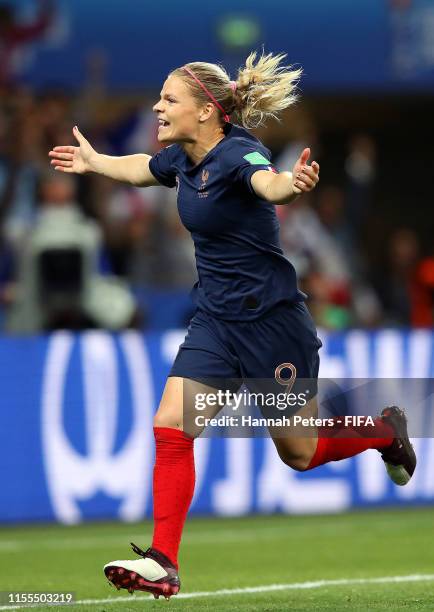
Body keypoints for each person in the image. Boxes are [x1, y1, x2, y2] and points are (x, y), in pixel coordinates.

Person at [49, 51, 416, 600]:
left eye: (169, 99)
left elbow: (268, 185)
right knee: (171, 422)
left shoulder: (239, 153)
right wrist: (95, 162)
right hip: (217, 324)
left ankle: (383, 430)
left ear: (206, 111)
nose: (157, 106)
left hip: (272, 328)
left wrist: (294, 184)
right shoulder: (181, 159)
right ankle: (163, 562)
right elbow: (140, 168)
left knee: (299, 452)